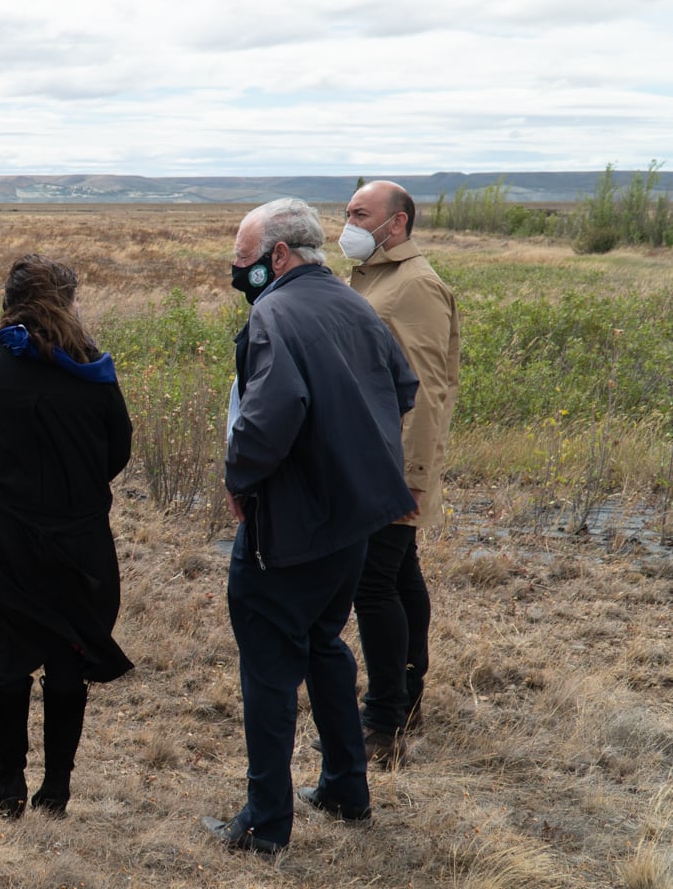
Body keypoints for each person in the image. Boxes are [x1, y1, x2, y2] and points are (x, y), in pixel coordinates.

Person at [202, 198, 419, 854]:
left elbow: (269, 419)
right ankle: (346, 790)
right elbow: (403, 389)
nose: (237, 275)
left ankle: (265, 825)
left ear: (278, 257)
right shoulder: (354, 304)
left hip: (288, 529)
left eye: (242, 262)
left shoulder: (274, 314)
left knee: (268, 670)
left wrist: (240, 479)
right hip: (353, 522)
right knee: (325, 644)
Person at [0, 254, 134, 820]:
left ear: (9, 301)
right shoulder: (94, 368)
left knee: (6, 660)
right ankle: (56, 789)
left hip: (4, 539)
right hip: (78, 540)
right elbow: (117, 451)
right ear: (71, 304)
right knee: (68, 657)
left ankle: (8, 789)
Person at [337, 180, 460, 763]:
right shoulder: (376, 277)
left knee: (374, 583)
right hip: (371, 460)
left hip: (392, 468)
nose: (349, 223)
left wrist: (411, 474)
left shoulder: (415, 286)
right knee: (400, 574)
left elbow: (427, 390)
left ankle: (382, 724)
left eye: (361, 214)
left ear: (398, 224)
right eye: (348, 212)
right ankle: (405, 700)